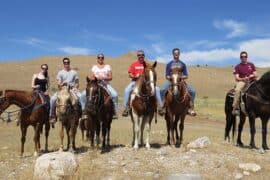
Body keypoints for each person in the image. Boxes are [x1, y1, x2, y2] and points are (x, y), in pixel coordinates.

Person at [122, 50, 164, 117]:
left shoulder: (147, 65)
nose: (140, 56)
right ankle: (126, 108)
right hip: (135, 81)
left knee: (157, 89)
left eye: (142, 55)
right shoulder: (134, 64)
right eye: (139, 55)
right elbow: (130, 74)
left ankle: (160, 107)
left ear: (144, 56)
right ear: (137, 56)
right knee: (127, 90)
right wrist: (136, 76)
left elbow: (152, 73)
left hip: (146, 83)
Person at [80, 53, 118, 119]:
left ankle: (114, 111)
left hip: (105, 84)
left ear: (103, 59)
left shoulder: (107, 66)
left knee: (115, 95)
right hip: (96, 84)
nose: (100, 59)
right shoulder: (94, 67)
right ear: (97, 59)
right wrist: (96, 78)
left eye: (102, 58)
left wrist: (103, 78)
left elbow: (110, 77)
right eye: (99, 58)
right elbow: (91, 77)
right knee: (82, 95)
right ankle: (84, 110)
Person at [160, 48, 196, 116]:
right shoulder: (169, 64)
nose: (176, 54)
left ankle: (190, 107)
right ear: (173, 54)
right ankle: (163, 106)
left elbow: (186, 75)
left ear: (179, 54)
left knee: (193, 91)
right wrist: (171, 78)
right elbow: (167, 75)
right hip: (171, 81)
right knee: (162, 90)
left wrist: (180, 77)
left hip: (181, 81)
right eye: (175, 53)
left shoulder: (183, 64)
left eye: (177, 53)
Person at [49, 57, 82, 123]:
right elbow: (58, 84)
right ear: (63, 63)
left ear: (69, 63)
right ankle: (52, 116)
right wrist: (62, 84)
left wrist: (76, 87)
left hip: (72, 89)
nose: (66, 64)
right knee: (52, 99)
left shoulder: (74, 72)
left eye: (68, 62)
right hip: (62, 90)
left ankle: (81, 116)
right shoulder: (60, 72)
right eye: (65, 63)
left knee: (81, 97)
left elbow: (77, 83)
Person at [232, 51, 257, 115]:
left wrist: (252, 75)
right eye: (242, 57)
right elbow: (236, 78)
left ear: (247, 57)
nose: (244, 58)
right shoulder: (237, 66)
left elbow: (255, 74)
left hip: (252, 81)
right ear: (240, 58)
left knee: (262, 87)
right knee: (237, 90)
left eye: (245, 56)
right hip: (242, 82)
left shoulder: (251, 64)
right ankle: (236, 108)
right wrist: (243, 79)